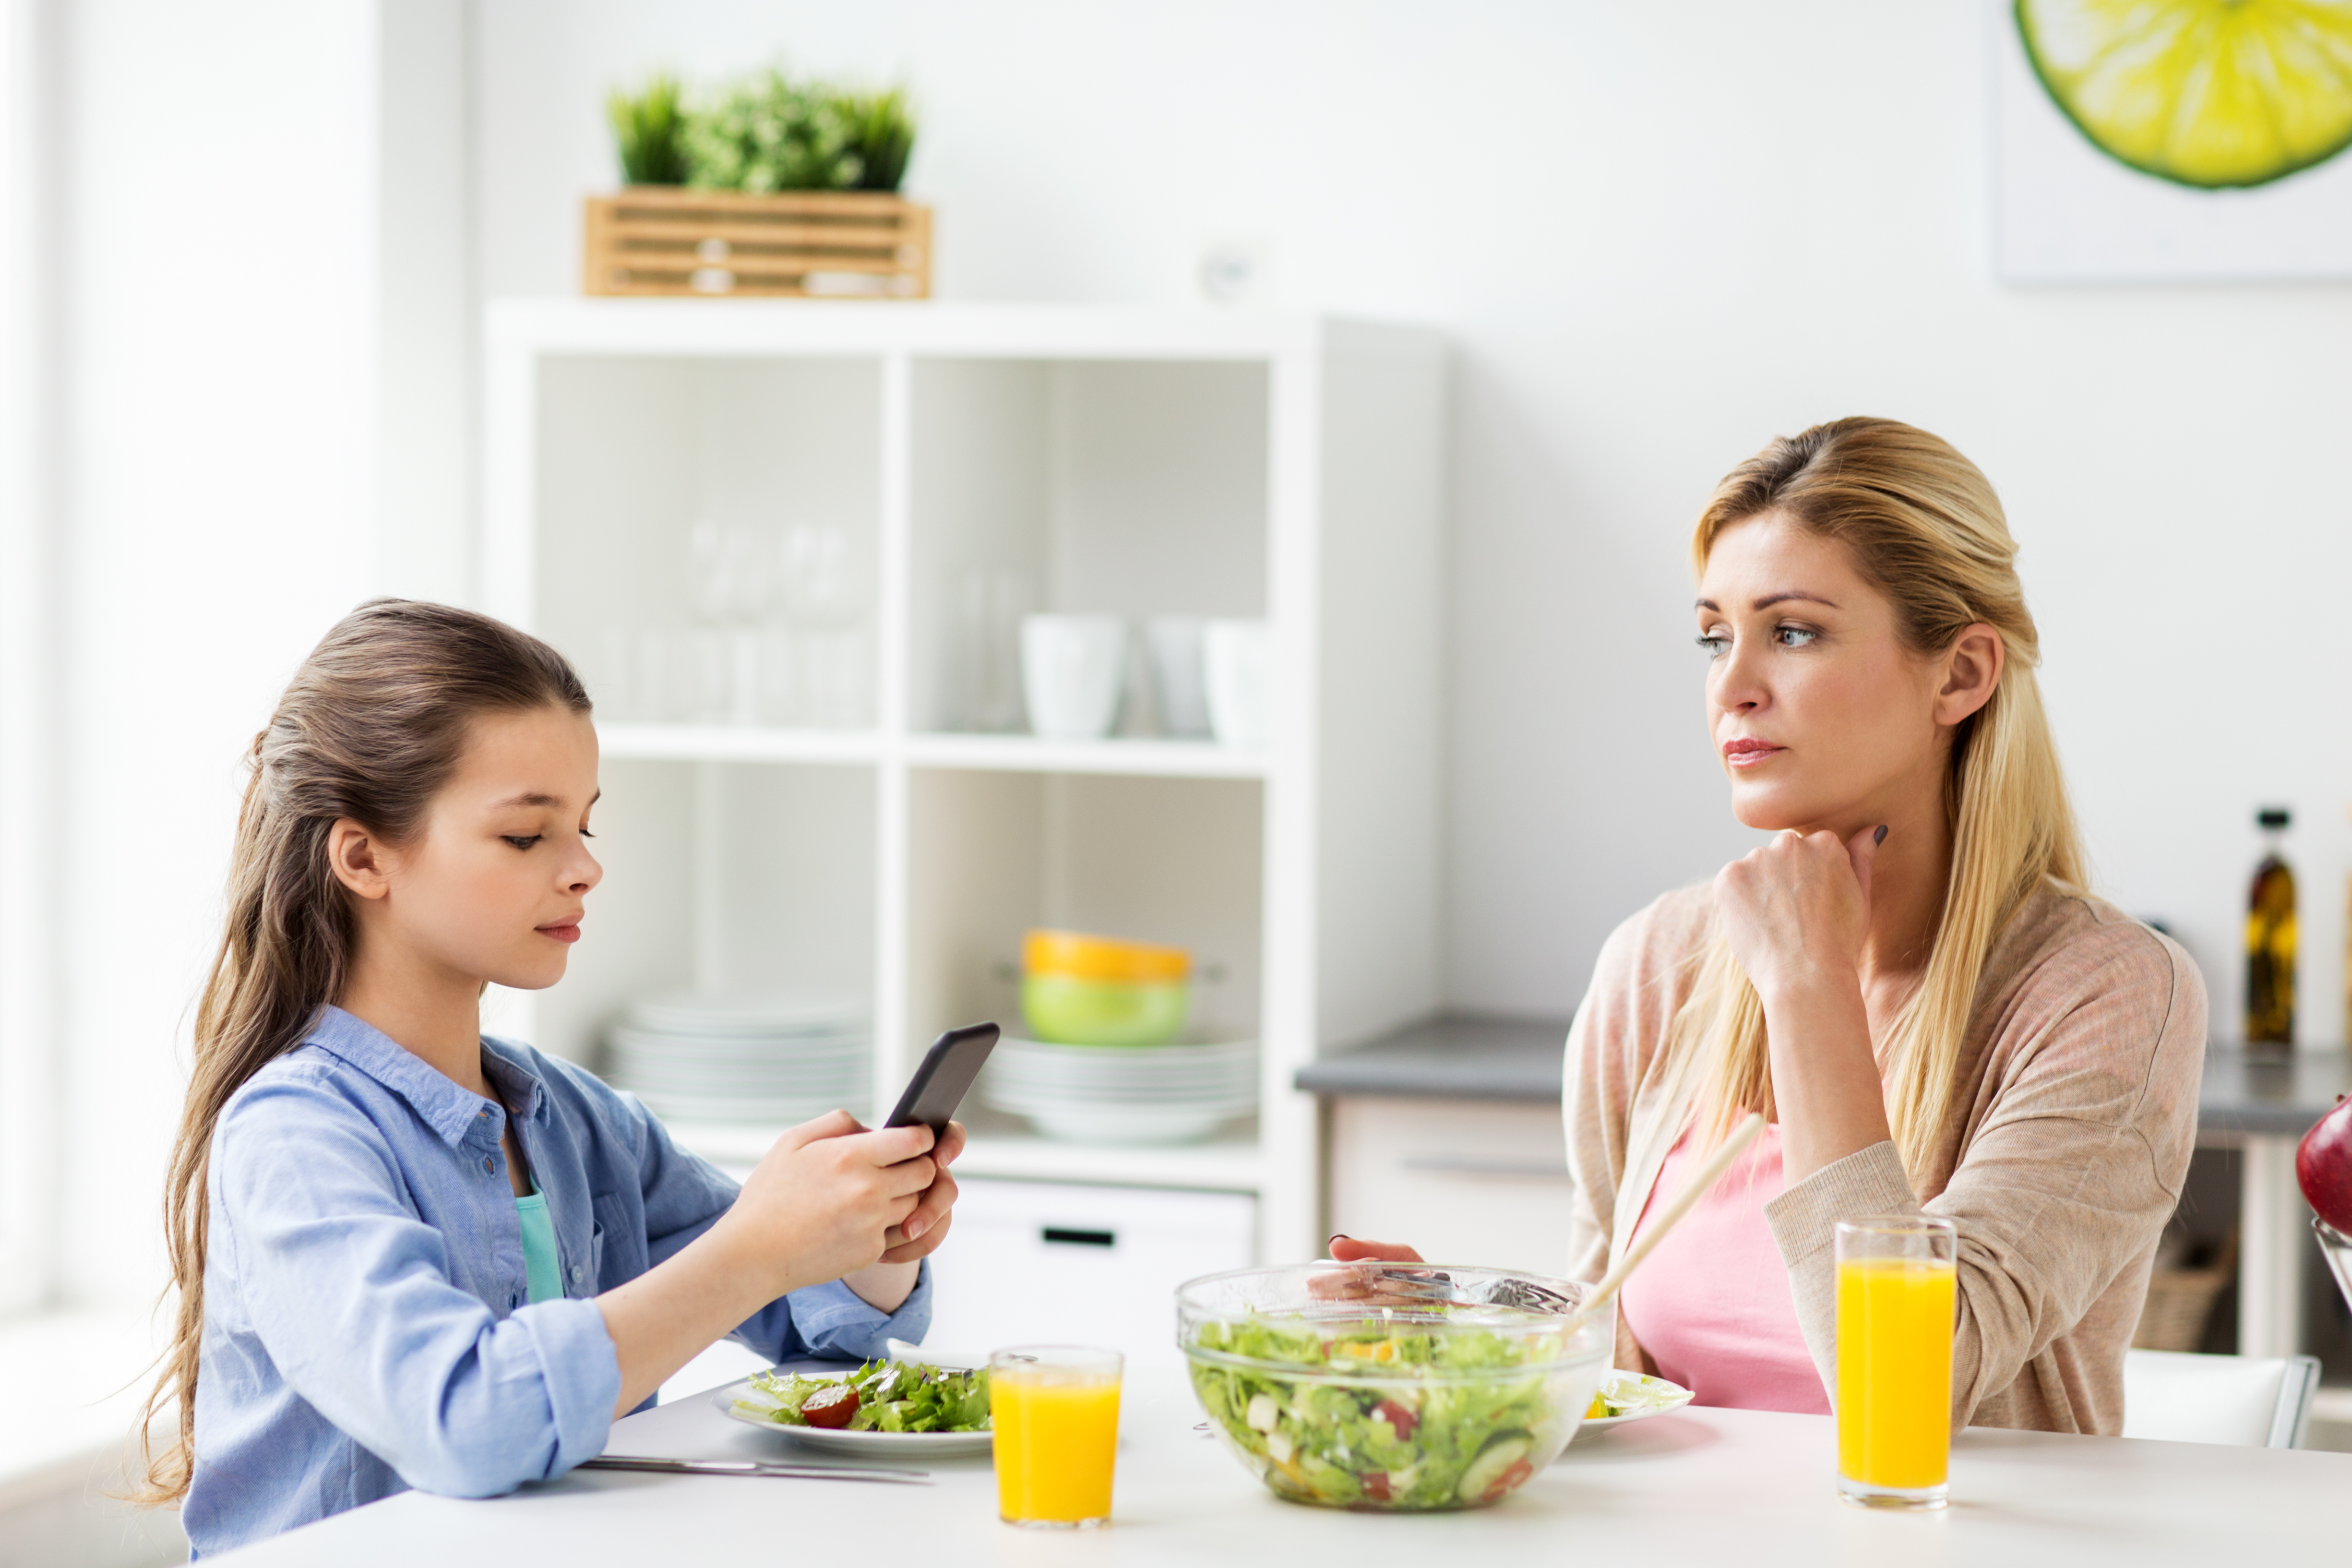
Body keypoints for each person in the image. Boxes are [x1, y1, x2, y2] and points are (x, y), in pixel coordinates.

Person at [1336, 418, 2203, 1433]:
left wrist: (1807, 989)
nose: (1732, 686)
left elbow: (1909, 1390)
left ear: (1962, 674)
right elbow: (1610, 1357)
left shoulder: (2108, 995)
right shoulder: (1656, 965)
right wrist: (1463, 1323)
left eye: (1792, 631)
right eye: (1715, 635)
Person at [137, 600, 960, 1555]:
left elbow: (807, 1321)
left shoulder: (572, 1117)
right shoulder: (295, 1136)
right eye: (527, 837)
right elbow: (463, 1415)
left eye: (584, 824)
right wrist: (759, 1247)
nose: (585, 868)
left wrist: (868, 1237)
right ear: (364, 854)